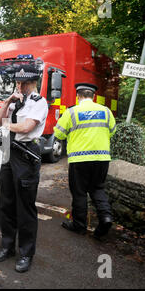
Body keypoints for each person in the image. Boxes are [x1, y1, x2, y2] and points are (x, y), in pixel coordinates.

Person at [0, 64, 48, 273]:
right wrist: (7, 101)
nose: (20, 86)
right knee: (6, 203)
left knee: (25, 208)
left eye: (24, 83)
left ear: (33, 83)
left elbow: (26, 128)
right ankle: (7, 246)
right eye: (18, 82)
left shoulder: (39, 102)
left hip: (26, 156)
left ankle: (26, 253)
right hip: (8, 153)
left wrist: (7, 126)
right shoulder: (14, 102)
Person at [53, 83, 116, 240]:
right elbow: (113, 131)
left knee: (79, 192)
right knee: (97, 189)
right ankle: (106, 218)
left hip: (79, 160)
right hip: (102, 159)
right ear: (93, 96)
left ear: (78, 96)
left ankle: (79, 226)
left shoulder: (71, 112)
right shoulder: (106, 111)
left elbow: (59, 135)